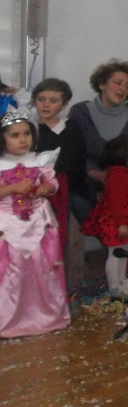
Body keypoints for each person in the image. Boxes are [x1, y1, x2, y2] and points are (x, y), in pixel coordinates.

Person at [0, 108, 71, 337]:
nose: (23, 140)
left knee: (41, 268)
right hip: (8, 225)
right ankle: (9, 318)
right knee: (12, 270)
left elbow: (53, 184)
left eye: (26, 134)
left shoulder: (40, 160)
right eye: (15, 135)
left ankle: (46, 314)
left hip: (39, 222)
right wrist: (12, 188)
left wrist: (43, 189)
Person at [68, 60, 128, 216]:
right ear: (102, 84)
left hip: (126, 176)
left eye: (127, 86)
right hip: (90, 176)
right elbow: (73, 154)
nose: (123, 89)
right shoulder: (80, 112)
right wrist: (96, 174)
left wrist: (118, 176)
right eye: (118, 83)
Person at [80, 135, 128, 299]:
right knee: (116, 254)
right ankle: (114, 287)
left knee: (125, 252)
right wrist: (121, 224)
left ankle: (122, 280)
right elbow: (116, 201)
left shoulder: (126, 173)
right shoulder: (118, 176)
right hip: (119, 222)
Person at [31, 79, 86, 241]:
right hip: (34, 188)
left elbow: (69, 165)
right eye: (41, 99)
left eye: (53, 101)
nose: (46, 105)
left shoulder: (70, 128)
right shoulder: (29, 128)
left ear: (64, 104)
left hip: (67, 190)